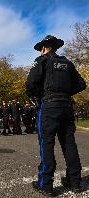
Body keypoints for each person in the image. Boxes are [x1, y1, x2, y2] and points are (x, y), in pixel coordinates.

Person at [26, 35, 86, 196]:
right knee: (69, 143)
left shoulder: (41, 61)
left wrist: (39, 95)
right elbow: (81, 84)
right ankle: (75, 182)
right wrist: (64, 93)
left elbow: (30, 84)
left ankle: (46, 185)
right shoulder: (67, 63)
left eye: (41, 49)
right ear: (56, 47)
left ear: (44, 48)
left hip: (49, 106)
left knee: (47, 143)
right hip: (66, 106)